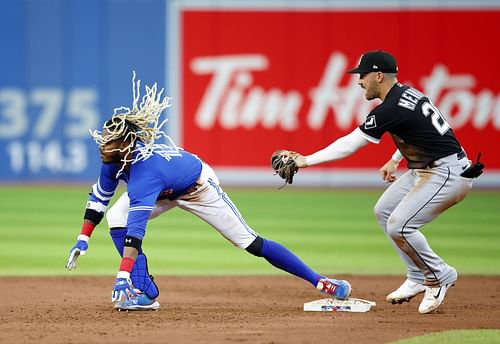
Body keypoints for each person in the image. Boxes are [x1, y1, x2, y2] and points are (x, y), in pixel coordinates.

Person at [65, 72, 351, 311]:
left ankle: (320, 281)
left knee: (250, 243)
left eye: (112, 142)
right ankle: (145, 292)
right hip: (164, 189)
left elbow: (136, 231)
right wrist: (82, 238)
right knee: (116, 216)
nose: (105, 146)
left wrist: (121, 274)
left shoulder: (145, 173)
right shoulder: (113, 160)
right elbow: (99, 200)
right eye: (105, 140)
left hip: (197, 187)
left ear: (128, 144)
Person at [285, 50, 481, 314]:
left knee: (400, 225)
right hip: (427, 168)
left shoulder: (390, 108)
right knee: (383, 211)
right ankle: (416, 276)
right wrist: (395, 158)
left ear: (379, 75)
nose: (359, 81)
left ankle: (438, 275)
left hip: (446, 173)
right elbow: (422, 130)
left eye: (363, 75)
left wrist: (305, 160)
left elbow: (351, 143)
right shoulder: (407, 94)